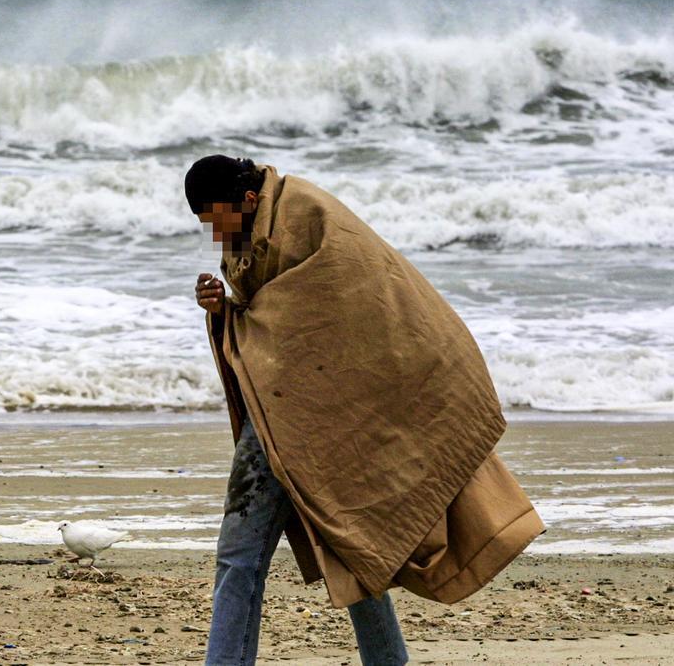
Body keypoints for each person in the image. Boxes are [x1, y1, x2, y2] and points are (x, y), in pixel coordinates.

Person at [185, 156, 544, 666]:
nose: (215, 236)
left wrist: (247, 320)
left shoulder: (305, 213)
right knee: (343, 542)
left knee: (306, 547)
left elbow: (353, 302)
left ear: (245, 200)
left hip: (326, 416)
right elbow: (270, 318)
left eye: (215, 220)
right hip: (287, 411)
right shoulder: (253, 235)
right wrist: (223, 307)